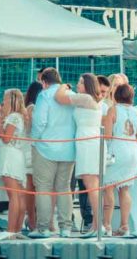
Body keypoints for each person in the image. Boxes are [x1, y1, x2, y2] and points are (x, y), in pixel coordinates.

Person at [30, 68, 76, 238]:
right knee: (64, 188)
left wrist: (33, 140)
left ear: (43, 81)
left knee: (43, 188)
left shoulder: (44, 95)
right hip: (69, 148)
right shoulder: (71, 94)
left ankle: (43, 228)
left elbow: (40, 121)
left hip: (46, 147)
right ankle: (66, 228)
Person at [68, 74, 105, 237]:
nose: (77, 84)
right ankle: (96, 226)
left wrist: (64, 87)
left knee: (92, 186)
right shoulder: (89, 99)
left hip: (89, 142)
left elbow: (61, 98)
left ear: (88, 85)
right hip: (86, 141)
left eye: (81, 82)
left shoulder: (86, 98)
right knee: (92, 186)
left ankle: (98, 226)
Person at [103, 84, 137, 236]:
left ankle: (107, 225)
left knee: (109, 186)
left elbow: (107, 135)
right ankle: (124, 226)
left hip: (116, 150)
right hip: (132, 151)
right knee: (125, 189)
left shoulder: (112, 110)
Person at [0, 88, 28, 239]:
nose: (3, 101)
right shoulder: (19, 116)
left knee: (13, 195)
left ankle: (11, 230)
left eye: (5, 98)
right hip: (16, 155)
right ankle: (17, 229)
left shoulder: (14, 117)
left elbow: (6, 138)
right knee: (19, 195)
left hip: (9, 155)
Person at [21, 81, 43, 234]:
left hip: (36, 147)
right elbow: (30, 130)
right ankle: (32, 220)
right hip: (31, 147)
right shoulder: (32, 108)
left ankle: (33, 219)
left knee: (36, 185)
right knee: (31, 185)